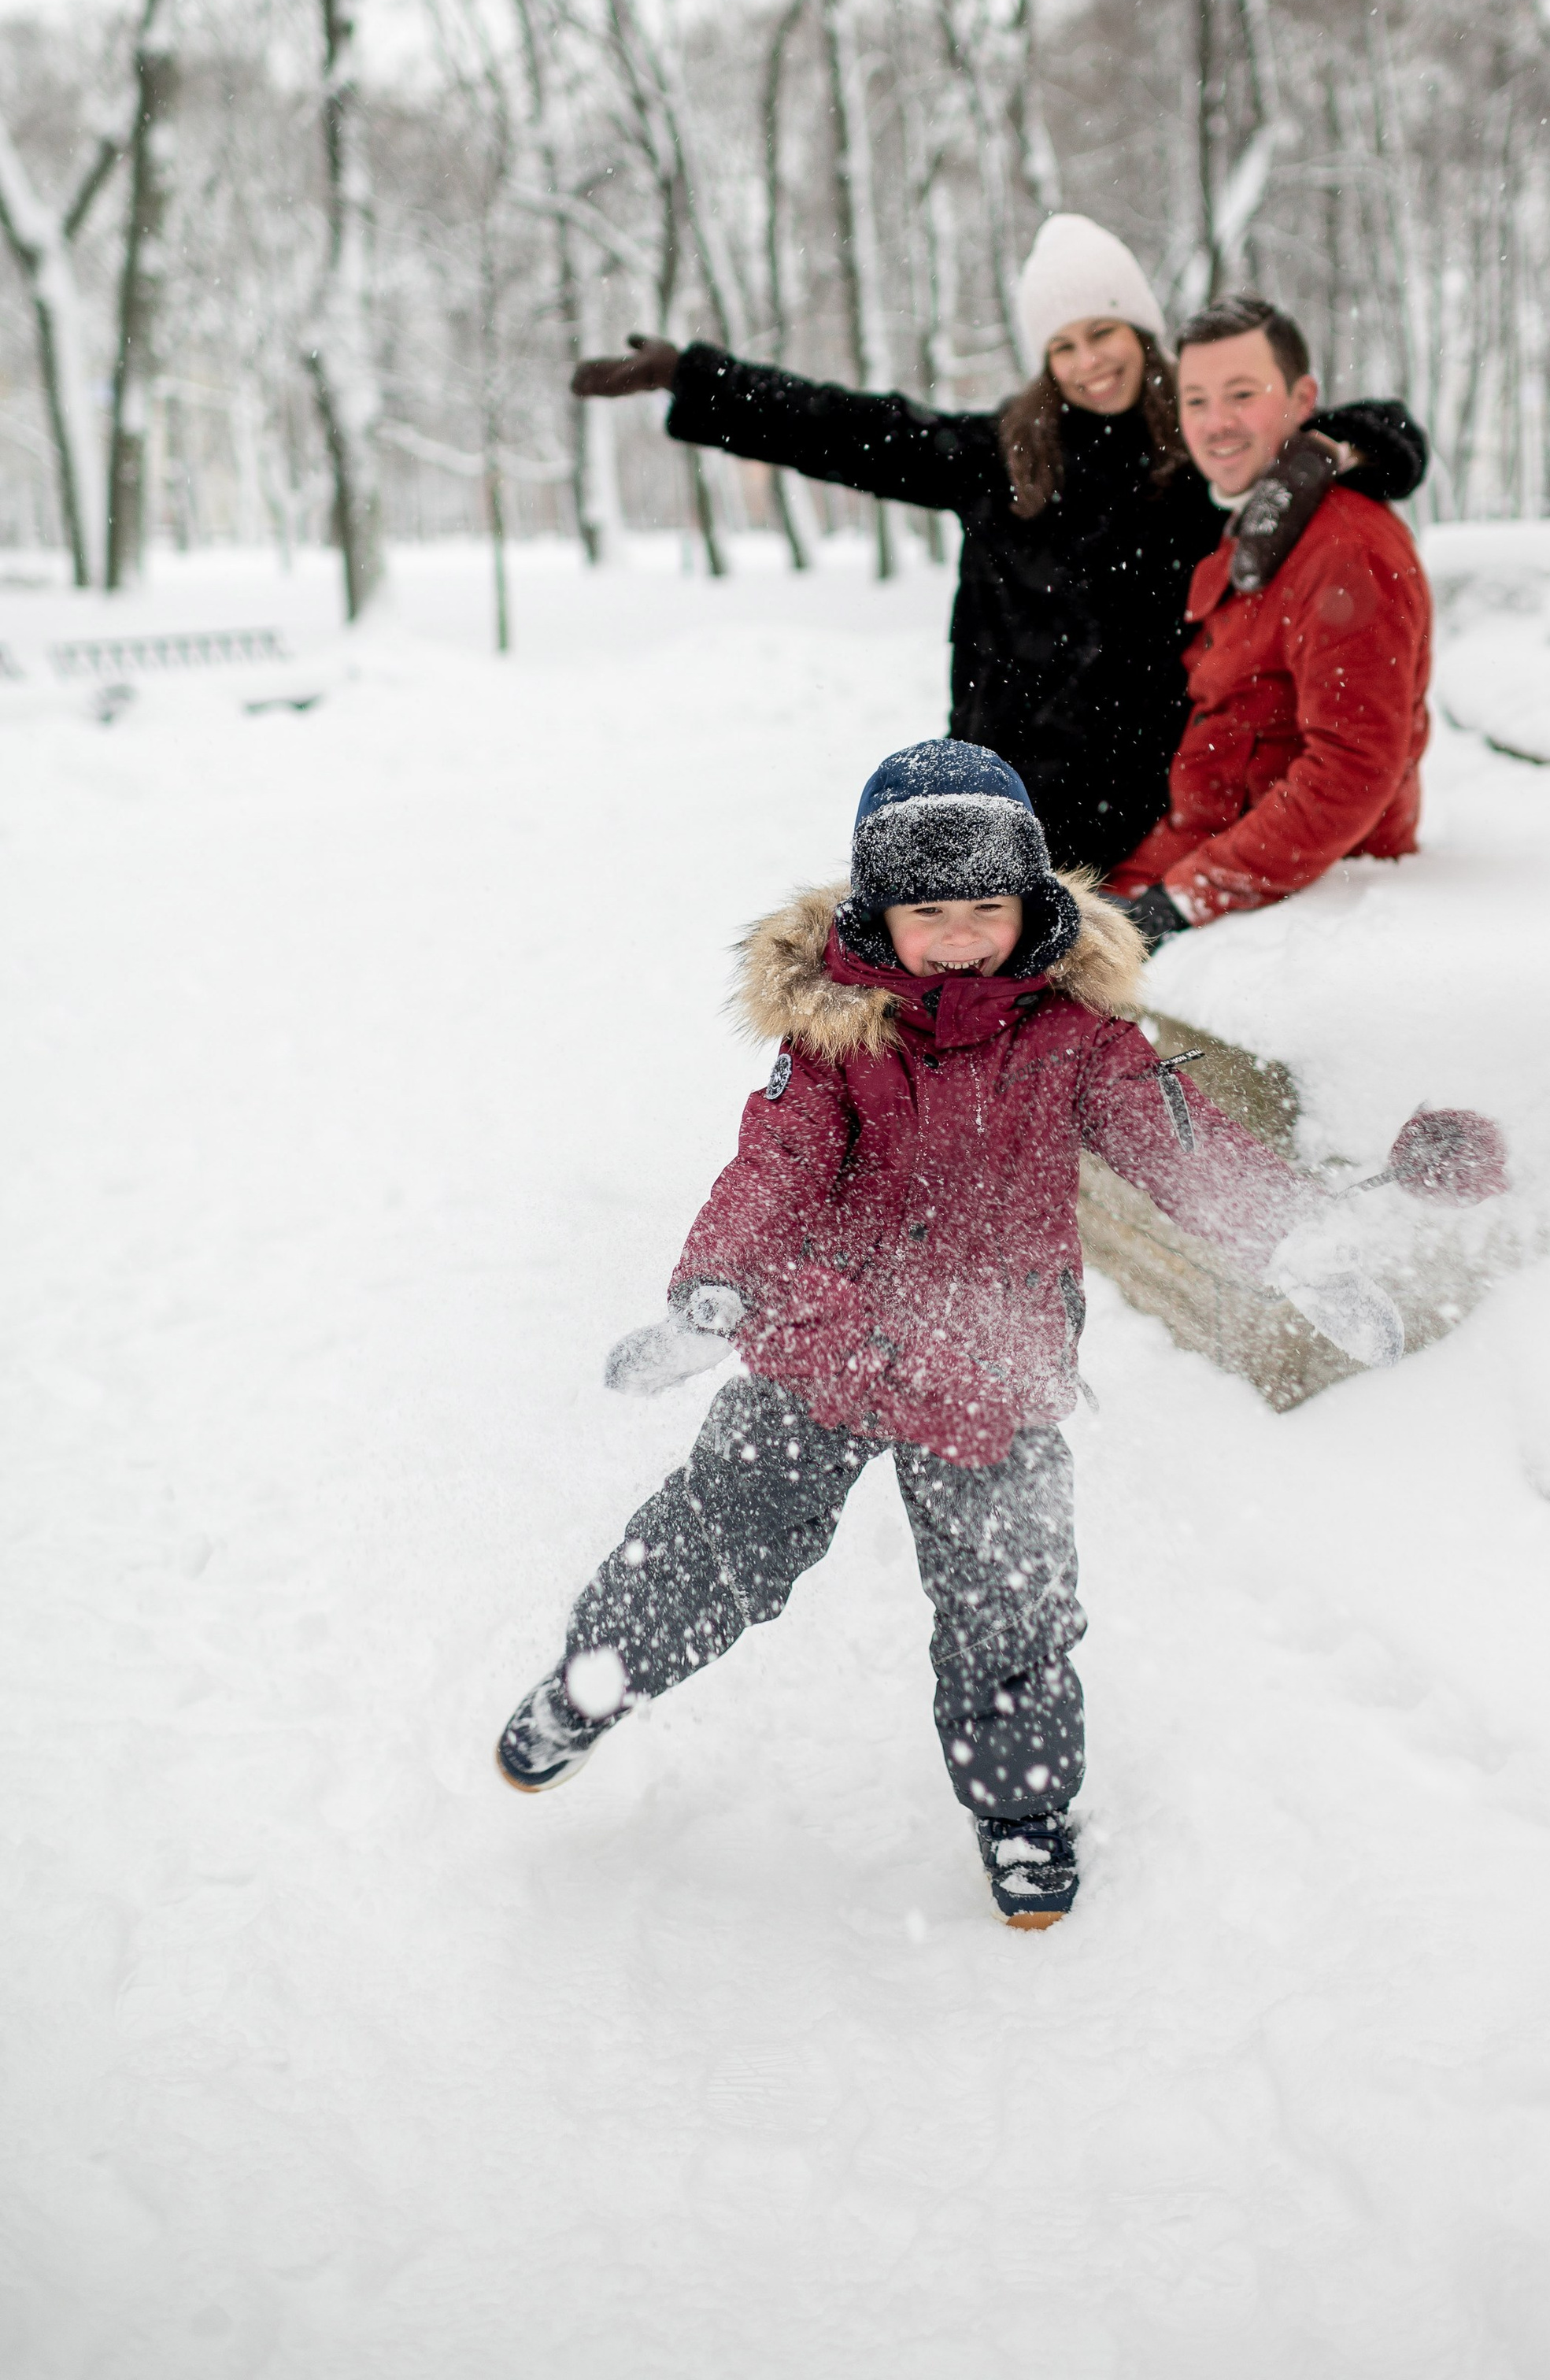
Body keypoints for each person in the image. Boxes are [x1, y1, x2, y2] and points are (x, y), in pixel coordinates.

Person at [492, 739, 1397, 1928]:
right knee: (722, 1537)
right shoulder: (834, 1037)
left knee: (1010, 1602)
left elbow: (1175, 1143)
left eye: (989, 906)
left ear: (1032, 905)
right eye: (932, 911)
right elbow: (778, 1165)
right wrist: (716, 1291)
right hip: (820, 1346)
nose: (963, 935)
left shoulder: (1079, 1036)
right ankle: (593, 1681)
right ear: (879, 914)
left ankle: (1021, 1810)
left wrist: (1285, 1243)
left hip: (992, 1361)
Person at [571, 215, 1426, 877]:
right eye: (1063, 345)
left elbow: (1346, 425)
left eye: (1104, 333)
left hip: (1147, 812)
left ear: (1141, 333)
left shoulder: (1199, 450)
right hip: (1009, 799)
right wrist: (694, 376)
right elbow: (842, 426)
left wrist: (1356, 447)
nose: (1089, 362)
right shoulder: (1000, 458)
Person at [1109, 297, 1433, 939]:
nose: (1216, 422)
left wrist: (1182, 900)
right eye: (1196, 400)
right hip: (1198, 855)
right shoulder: (1265, 526)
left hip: (1299, 894)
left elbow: (1354, 768)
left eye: (1241, 394)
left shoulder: (1346, 551)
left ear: (1302, 396)